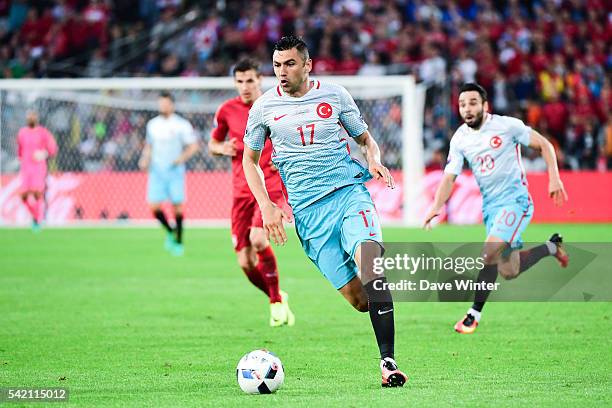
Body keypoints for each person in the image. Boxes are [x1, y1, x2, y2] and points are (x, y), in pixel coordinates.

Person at [242, 36, 407, 387]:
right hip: (309, 215)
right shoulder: (264, 108)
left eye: (288, 64)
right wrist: (267, 206)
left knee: (372, 269)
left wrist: (374, 160)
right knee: (360, 300)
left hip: (349, 195)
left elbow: (364, 139)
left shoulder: (335, 95)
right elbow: (249, 160)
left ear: (307, 65)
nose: (281, 72)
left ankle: (388, 363)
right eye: (276, 65)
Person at [424, 83, 569, 334]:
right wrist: (437, 205)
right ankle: (551, 247)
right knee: (509, 270)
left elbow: (544, 144)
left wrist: (554, 178)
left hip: (516, 201)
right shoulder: (460, 138)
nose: (467, 109)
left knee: (488, 252)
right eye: (462, 105)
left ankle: (473, 314)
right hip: (491, 207)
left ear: (485, 106)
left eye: (472, 103)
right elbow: (449, 177)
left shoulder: (506, 126)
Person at [208, 58, 294, 327]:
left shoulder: (275, 105)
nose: (244, 87)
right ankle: (277, 294)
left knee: (259, 240)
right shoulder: (226, 110)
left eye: (250, 81)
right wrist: (222, 149)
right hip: (240, 192)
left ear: (260, 80)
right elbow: (213, 142)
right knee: (245, 262)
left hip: (269, 187)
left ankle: (275, 304)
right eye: (240, 81)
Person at [139, 92, 199, 256]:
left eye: (165, 104)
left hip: (174, 171)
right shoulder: (153, 124)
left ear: (171, 105)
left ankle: (179, 241)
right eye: (161, 104)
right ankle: (170, 230)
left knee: (177, 207)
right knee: (154, 206)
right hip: (157, 170)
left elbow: (193, 146)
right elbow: (149, 145)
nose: (163, 107)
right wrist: (144, 159)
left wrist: (181, 159)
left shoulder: (181, 124)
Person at [17, 110, 57, 231]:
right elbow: (19, 151)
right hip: (25, 169)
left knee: (37, 195)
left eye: (33, 115)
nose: (31, 118)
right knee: (23, 196)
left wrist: (43, 153)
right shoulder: (22, 133)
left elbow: (53, 148)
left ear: (37, 118)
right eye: (29, 115)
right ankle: (36, 217)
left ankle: (38, 220)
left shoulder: (43, 133)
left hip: (38, 169)